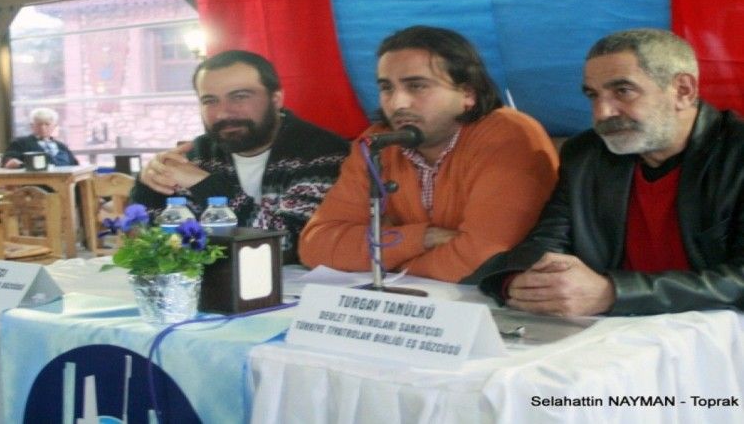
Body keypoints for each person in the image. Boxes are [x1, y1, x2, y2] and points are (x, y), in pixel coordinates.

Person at [475, 28, 744, 316]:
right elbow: (547, 242)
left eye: (623, 91)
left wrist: (614, 292)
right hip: (616, 329)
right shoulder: (587, 155)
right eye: (593, 95)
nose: (602, 112)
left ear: (683, 90)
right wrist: (520, 282)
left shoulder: (735, 152)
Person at [299, 25, 559, 282]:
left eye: (417, 86)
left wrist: (384, 260)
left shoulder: (508, 136)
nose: (398, 103)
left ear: (467, 94)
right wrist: (422, 238)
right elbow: (315, 246)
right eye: (387, 88)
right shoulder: (376, 143)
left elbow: (481, 259)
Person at [130, 50, 349, 263]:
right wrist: (149, 185)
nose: (223, 112)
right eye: (210, 101)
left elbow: (291, 244)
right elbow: (154, 245)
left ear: (276, 99)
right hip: (213, 284)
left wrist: (206, 185)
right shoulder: (197, 155)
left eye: (239, 97)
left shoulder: (324, 153)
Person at [2, 107, 78, 167]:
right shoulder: (20, 143)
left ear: (54, 126)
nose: (43, 128)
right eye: (39, 124)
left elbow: (75, 165)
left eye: (47, 124)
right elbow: (9, 161)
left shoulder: (61, 146)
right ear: (32, 126)